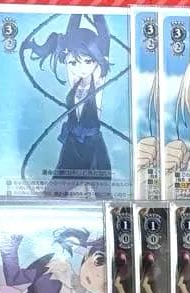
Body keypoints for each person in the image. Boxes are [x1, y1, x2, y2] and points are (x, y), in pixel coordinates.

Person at [23, 14, 114, 198]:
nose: (80, 68)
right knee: (52, 194)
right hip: (72, 147)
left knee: (105, 198)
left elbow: (104, 35)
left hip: (93, 148)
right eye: (73, 62)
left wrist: (95, 9)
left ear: (97, 61)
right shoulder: (74, 78)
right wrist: (76, 9)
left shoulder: (98, 77)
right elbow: (71, 33)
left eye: (88, 61)